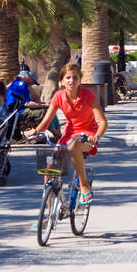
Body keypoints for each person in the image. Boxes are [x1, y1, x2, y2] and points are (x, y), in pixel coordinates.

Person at [28, 63, 107, 210]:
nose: (71, 81)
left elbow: (102, 122)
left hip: (87, 135)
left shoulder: (88, 96)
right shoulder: (58, 96)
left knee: (74, 146)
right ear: (62, 81)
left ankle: (84, 186)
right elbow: (46, 121)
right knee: (49, 169)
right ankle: (49, 213)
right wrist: (36, 131)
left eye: (75, 78)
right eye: (68, 78)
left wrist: (97, 136)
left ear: (80, 80)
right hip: (69, 134)